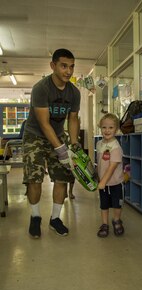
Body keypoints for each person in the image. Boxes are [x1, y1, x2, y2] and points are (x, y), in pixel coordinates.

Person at [22, 48, 81, 238]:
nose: (68, 71)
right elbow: (44, 124)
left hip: (57, 134)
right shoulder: (41, 88)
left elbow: (73, 119)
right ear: (53, 65)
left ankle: (55, 219)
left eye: (71, 67)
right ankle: (35, 217)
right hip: (35, 135)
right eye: (64, 66)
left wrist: (73, 143)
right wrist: (61, 149)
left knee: (62, 177)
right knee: (35, 179)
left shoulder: (74, 92)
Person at [96, 113, 124, 238]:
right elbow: (100, 163)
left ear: (116, 129)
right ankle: (104, 224)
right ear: (100, 128)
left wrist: (103, 182)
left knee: (117, 204)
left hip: (115, 182)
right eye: (104, 127)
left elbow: (112, 167)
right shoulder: (99, 144)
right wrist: (97, 177)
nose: (107, 130)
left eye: (111, 128)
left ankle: (116, 220)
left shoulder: (115, 147)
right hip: (103, 182)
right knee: (104, 204)